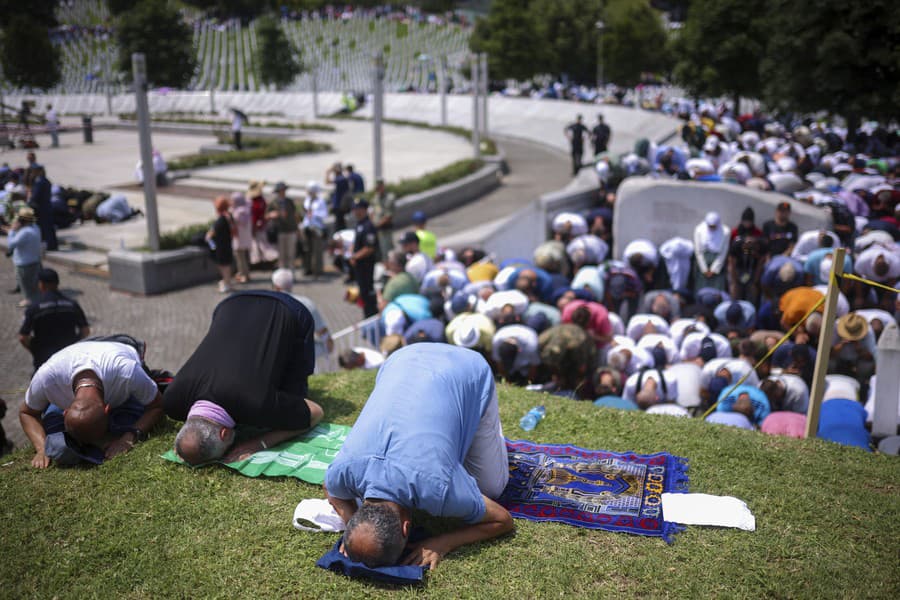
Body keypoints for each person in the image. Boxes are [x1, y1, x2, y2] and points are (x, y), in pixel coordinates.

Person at [325, 344, 514, 569]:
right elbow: (331, 487)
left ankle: (481, 420)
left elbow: (503, 520)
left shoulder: (438, 488)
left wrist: (443, 543)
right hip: (402, 357)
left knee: (490, 489)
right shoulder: (343, 471)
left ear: (407, 527)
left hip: (468, 368)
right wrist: (351, 528)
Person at [163, 291, 324, 465]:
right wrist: (187, 448)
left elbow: (315, 412)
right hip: (230, 304)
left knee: (295, 394)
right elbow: (191, 438)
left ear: (224, 433)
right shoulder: (171, 401)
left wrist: (259, 443)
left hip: (289, 310)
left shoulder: (257, 403)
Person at [19, 340, 164, 469]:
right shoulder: (47, 378)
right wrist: (42, 448)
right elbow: (26, 412)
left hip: (117, 345)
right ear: (65, 410)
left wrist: (128, 437)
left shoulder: (127, 372)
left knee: (124, 423)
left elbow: (157, 405)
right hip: (73, 352)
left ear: (108, 408)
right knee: (55, 440)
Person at [18, 268, 90, 371]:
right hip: (68, 356)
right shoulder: (72, 305)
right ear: (57, 283)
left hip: (44, 358)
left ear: (41, 284)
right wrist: (73, 344)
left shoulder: (34, 308)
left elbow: (23, 337)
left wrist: (35, 350)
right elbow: (85, 331)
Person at [271, 268, 334, 370]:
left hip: (276, 356)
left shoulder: (270, 305)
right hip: (302, 356)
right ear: (291, 285)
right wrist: (329, 348)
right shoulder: (306, 303)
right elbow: (323, 333)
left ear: (276, 287)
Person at [2, 206, 42, 307]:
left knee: (25, 283)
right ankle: (34, 298)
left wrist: (11, 232)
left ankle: (28, 300)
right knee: (33, 282)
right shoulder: (36, 227)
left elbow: (11, 244)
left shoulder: (25, 232)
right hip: (35, 260)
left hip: (24, 262)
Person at [350, 199, 378, 317]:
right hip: (359, 266)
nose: (355, 212)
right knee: (363, 293)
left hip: (367, 266)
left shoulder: (368, 226)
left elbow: (370, 248)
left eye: (357, 209)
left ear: (364, 209)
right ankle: (367, 315)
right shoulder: (359, 224)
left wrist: (355, 256)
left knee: (368, 292)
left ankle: (371, 316)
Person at [693, 212, 730, 293]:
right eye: (710, 226)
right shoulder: (699, 230)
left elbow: (723, 251)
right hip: (703, 262)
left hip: (718, 263)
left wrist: (714, 269)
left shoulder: (725, 231)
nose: (712, 228)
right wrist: (704, 269)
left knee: (716, 290)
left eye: (714, 226)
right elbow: (698, 251)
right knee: (702, 289)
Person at [206, 196, 234, 293]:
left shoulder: (221, 219)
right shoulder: (229, 216)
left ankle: (226, 284)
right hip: (228, 244)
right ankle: (228, 282)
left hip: (221, 246)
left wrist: (209, 235)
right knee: (227, 265)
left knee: (223, 266)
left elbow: (212, 233)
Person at [268, 182, 297, 272]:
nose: (283, 192)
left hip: (290, 229)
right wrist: (272, 215)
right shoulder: (273, 203)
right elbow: (267, 215)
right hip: (280, 230)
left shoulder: (289, 201)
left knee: (290, 253)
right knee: (281, 254)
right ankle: (282, 273)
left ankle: (291, 272)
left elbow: (295, 215)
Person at [300, 181, 328, 277]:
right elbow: (305, 213)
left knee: (317, 249)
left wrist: (314, 213)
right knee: (307, 249)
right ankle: (308, 268)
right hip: (307, 226)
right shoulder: (307, 200)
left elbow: (324, 214)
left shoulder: (320, 201)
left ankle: (318, 270)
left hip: (317, 227)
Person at [370, 177, 396, 260]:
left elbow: (389, 216)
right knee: (378, 252)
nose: (378, 189)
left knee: (387, 251)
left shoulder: (389, 198)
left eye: (379, 187)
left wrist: (377, 225)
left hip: (385, 229)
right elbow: (372, 212)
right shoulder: (375, 198)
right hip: (376, 230)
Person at [230, 192, 252, 283]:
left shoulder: (238, 212)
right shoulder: (247, 208)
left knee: (240, 259)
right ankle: (246, 274)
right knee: (244, 258)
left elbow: (236, 223)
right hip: (246, 238)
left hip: (239, 239)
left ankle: (244, 276)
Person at [326, 163, 351, 231]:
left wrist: (328, 172)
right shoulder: (341, 178)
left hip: (340, 205)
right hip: (339, 205)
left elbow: (327, 182)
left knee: (339, 225)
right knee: (340, 223)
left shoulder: (341, 178)